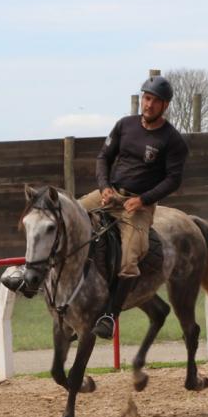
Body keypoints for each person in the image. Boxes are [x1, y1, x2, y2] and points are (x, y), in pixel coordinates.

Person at [79, 75, 189, 338]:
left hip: (137, 208)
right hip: (108, 195)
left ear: (165, 106)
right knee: (67, 216)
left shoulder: (173, 141)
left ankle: (109, 316)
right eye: (146, 98)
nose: (148, 105)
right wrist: (104, 186)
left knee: (129, 259)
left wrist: (143, 200)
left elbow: (173, 180)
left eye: (155, 101)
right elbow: (104, 157)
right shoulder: (124, 125)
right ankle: (32, 275)